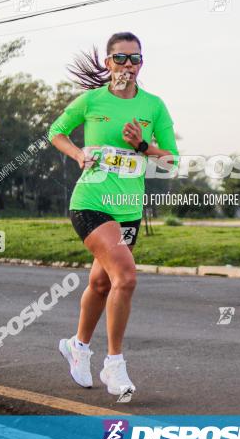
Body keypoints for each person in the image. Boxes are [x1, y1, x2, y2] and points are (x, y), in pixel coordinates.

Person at [48, 32, 178, 396]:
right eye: (121, 59)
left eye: (135, 59)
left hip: (128, 211)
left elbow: (171, 162)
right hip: (90, 203)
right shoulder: (91, 100)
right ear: (108, 63)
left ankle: (77, 346)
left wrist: (142, 145)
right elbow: (55, 132)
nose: (128, 66)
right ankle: (114, 366)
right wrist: (77, 155)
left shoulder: (154, 106)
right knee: (126, 277)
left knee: (102, 283)